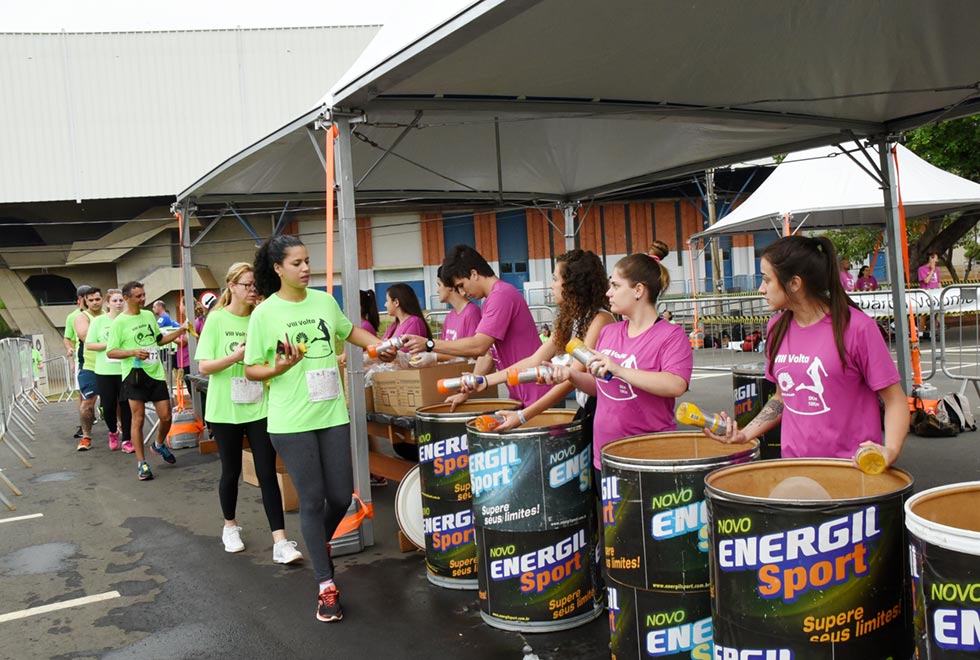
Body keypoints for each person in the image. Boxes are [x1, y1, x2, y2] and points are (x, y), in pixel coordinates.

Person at [244, 235, 393, 623]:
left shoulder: (324, 302)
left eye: (307, 261)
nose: (306, 268)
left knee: (342, 497)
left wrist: (379, 345)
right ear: (278, 269)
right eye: (296, 263)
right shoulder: (265, 313)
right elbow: (251, 369)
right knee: (310, 500)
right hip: (291, 420)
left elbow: (348, 331)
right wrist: (277, 368)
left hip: (331, 413)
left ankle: (316, 548)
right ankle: (326, 585)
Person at [702, 235, 908, 468]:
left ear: (795, 284)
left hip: (852, 470)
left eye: (766, 280)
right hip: (797, 469)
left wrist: (890, 450)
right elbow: (782, 397)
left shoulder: (858, 328)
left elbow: (895, 400)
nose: (761, 289)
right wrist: (745, 434)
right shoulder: (776, 328)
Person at [547, 243, 693, 471]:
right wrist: (571, 375)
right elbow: (601, 387)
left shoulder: (671, 335)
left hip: (648, 456)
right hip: (604, 453)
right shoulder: (610, 332)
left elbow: (675, 384)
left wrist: (619, 369)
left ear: (638, 290)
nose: (608, 293)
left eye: (615, 285)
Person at [196, 262, 303, 564]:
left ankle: (280, 541)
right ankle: (230, 525)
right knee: (230, 471)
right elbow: (204, 366)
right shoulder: (216, 320)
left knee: (267, 472)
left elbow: (274, 356)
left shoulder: (262, 318)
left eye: (255, 284)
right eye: (246, 284)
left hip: (259, 405)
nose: (252, 289)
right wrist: (236, 356)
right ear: (231, 287)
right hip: (225, 408)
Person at [461, 249, 615, 438]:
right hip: (589, 409)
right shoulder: (573, 319)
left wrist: (523, 416)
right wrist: (484, 380)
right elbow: (534, 360)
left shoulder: (600, 319)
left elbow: (571, 380)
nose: (551, 285)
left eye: (555, 279)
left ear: (574, 284)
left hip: (603, 411)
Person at [401, 244, 549, 407]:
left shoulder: (501, 296)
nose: (463, 293)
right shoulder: (492, 300)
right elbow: (488, 354)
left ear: (474, 273)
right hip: (523, 392)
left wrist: (429, 344)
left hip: (538, 392)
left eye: (461, 285)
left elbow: (479, 346)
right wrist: (466, 390)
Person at [107, 281, 188, 481]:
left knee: (166, 416)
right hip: (134, 375)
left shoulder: (149, 315)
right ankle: (141, 463)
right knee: (138, 418)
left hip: (155, 373)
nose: (143, 299)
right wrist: (132, 352)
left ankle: (159, 444)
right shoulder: (119, 322)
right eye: (138, 296)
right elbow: (111, 351)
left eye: (144, 295)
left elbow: (158, 340)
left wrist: (180, 331)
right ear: (126, 299)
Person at [86, 288, 134, 452]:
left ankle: (127, 439)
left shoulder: (129, 319)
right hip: (105, 371)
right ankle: (113, 431)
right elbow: (90, 344)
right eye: (115, 301)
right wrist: (110, 346)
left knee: (126, 404)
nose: (118, 303)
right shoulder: (98, 321)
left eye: (121, 300)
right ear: (108, 303)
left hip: (125, 368)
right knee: (108, 406)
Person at [73, 287, 104, 451]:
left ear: (103, 299)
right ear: (85, 300)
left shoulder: (109, 315)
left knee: (119, 401)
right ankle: (86, 437)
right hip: (89, 365)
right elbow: (85, 336)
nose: (94, 302)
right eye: (91, 300)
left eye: (97, 299)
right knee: (87, 404)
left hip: (110, 364)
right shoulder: (81, 317)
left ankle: (121, 431)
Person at [64, 285, 92, 439]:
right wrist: (69, 351)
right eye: (88, 298)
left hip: (101, 359)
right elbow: (67, 338)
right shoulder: (73, 317)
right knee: (82, 394)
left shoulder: (102, 314)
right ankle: (84, 427)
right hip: (82, 360)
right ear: (81, 299)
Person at [380, 283, 431, 348]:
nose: (385, 304)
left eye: (387, 300)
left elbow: (407, 352)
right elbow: (380, 345)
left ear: (396, 302)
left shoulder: (414, 322)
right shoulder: (394, 325)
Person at [437, 266, 481, 342]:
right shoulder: (449, 317)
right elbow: (443, 348)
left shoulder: (472, 313)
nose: (437, 290)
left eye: (439, 285)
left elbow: (474, 349)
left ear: (449, 286)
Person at [917, 251, 941, 336]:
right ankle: (920, 333)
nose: (936, 260)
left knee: (934, 315)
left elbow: (938, 282)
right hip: (926, 294)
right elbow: (926, 281)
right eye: (935, 258)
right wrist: (932, 270)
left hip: (935, 294)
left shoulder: (937, 270)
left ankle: (932, 333)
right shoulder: (921, 269)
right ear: (930, 258)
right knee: (924, 314)